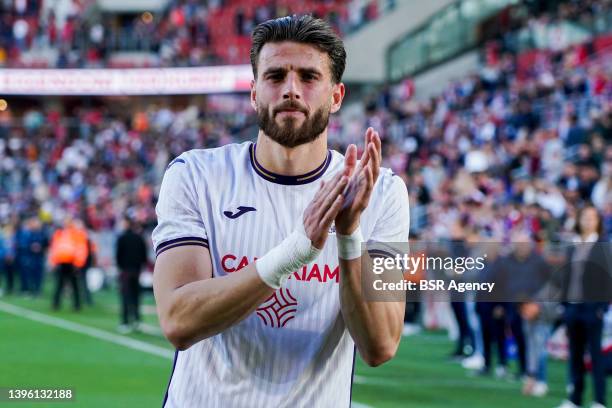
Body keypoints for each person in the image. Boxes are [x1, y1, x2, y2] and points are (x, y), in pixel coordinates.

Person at [152, 15, 409, 407]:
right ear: (254, 93)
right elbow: (178, 319)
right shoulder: (194, 175)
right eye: (275, 77)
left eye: (308, 77)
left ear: (336, 96)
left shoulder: (383, 192)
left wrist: (349, 238)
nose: (291, 90)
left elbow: (381, 345)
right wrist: (295, 253)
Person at [556, 205, 611, 408]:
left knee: (596, 357)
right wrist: (564, 305)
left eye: (592, 217)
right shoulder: (572, 245)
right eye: (584, 217)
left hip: (592, 309)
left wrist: (601, 307)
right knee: (575, 355)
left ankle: (599, 400)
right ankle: (575, 399)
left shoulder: (603, 245)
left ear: (598, 221)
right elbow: (566, 276)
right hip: (573, 307)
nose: (588, 221)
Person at [115, 218, 148, 333]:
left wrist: (120, 267)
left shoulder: (122, 238)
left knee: (125, 296)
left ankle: (125, 322)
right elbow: (144, 255)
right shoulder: (139, 238)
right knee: (136, 296)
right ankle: (137, 320)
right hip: (136, 271)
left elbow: (118, 255)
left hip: (126, 271)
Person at [49, 218, 89, 311]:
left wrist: (78, 263)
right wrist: (53, 262)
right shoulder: (59, 233)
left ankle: (77, 305)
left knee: (74, 285)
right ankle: (56, 304)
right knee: (59, 284)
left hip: (72, 263)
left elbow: (81, 249)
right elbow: (55, 248)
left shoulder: (77, 234)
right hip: (61, 262)